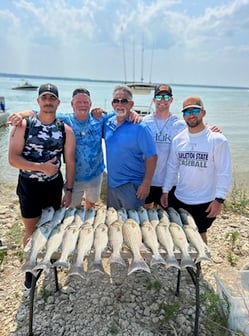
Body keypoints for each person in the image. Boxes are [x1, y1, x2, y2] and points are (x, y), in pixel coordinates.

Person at [9, 88, 141, 209]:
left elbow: (121, 110)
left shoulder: (99, 118)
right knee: (72, 208)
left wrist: (133, 113)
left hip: (96, 174)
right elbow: (36, 112)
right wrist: (20, 115)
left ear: (90, 104)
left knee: (91, 204)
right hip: (75, 177)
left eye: (85, 102)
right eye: (78, 102)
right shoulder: (65, 120)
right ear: (72, 104)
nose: (82, 105)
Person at [8, 83, 75, 289]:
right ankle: (30, 269)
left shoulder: (65, 130)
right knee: (31, 230)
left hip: (53, 187)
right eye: (44, 98)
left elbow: (70, 162)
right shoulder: (24, 125)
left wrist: (69, 190)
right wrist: (40, 167)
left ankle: (51, 262)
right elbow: (12, 159)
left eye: (51, 98)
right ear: (38, 101)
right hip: (29, 186)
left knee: (52, 228)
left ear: (57, 102)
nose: (48, 102)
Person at [160, 96, 232, 244]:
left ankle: (198, 265)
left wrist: (219, 199)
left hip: (205, 201)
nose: (191, 114)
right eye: (187, 111)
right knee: (178, 232)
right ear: (183, 116)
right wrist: (166, 190)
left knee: (200, 233)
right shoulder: (178, 140)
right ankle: (182, 264)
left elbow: (224, 171)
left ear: (203, 112)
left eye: (195, 110)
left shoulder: (217, 140)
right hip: (180, 196)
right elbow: (172, 167)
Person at [103, 84, 157, 209]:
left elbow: (152, 157)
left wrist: (146, 183)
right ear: (112, 104)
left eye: (124, 101)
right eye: (116, 101)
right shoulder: (107, 123)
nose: (120, 104)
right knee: (114, 223)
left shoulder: (140, 127)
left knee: (132, 225)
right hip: (112, 185)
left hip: (132, 186)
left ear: (131, 104)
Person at [143, 84, 186, 209]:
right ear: (153, 100)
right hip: (147, 180)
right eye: (159, 97)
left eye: (166, 97)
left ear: (171, 100)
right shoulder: (144, 122)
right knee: (144, 216)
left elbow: (197, 131)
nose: (162, 100)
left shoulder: (180, 124)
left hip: (169, 182)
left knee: (166, 219)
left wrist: (211, 130)